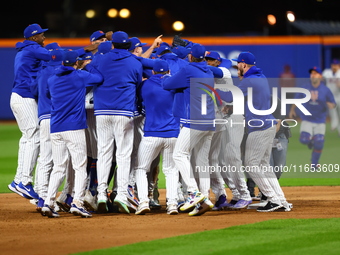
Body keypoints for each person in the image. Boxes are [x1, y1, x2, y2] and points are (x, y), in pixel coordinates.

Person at [8, 23, 98, 201]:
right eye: (41, 35)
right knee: (32, 136)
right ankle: (23, 181)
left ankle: (20, 179)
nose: (44, 37)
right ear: (34, 37)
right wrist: (88, 48)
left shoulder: (26, 51)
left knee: (29, 138)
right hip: (23, 97)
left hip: (21, 96)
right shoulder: (31, 48)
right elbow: (57, 55)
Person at [217, 51, 291, 212]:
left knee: (251, 165)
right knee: (263, 165)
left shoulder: (249, 80)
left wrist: (211, 87)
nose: (237, 67)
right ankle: (281, 200)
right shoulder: (260, 77)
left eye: (238, 65)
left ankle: (273, 199)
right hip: (267, 124)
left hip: (260, 127)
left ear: (244, 65)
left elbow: (229, 95)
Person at [41, 50, 103, 218]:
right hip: (74, 128)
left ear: (62, 63)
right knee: (80, 167)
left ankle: (48, 202)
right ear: (76, 63)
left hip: (56, 127)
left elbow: (47, 94)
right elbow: (98, 78)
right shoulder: (79, 76)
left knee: (58, 167)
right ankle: (77, 203)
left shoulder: (52, 79)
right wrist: (89, 66)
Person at [91, 31, 143, 214]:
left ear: (112, 44)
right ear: (127, 45)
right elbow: (138, 83)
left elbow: (92, 74)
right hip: (124, 111)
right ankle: (121, 194)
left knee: (104, 152)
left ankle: (101, 193)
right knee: (123, 154)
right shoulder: (134, 61)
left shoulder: (100, 59)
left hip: (102, 111)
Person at [163, 43, 215, 216]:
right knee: (202, 161)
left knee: (179, 154)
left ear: (191, 56)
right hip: (210, 121)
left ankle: (193, 193)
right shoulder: (207, 70)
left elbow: (168, 84)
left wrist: (166, 77)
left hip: (196, 120)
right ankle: (205, 200)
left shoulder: (188, 70)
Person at [205, 51, 252, 210]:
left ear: (217, 62)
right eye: (206, 59)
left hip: (234, 117)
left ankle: (245, 195)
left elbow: (216, 71)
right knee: (221, 161)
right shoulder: (207, 73)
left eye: (211, 60)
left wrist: (196, 61)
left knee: (232, 156)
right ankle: (236, 193)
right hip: (222, 119)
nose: (208, 62)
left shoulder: (223, 72)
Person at [134, 60, 180, 215]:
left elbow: (139, 103)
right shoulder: (174, 85)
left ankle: (143, 202)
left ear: (153, 72)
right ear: (168, 72)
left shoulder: (145, 86)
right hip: (173, 134)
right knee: (171, 170)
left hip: (151, 134)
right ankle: (172, 204)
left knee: (141, 168)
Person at [289, 66, 336, 169]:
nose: (313, 75)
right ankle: (311, 142)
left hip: (320, 120)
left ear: (320, 76)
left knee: (319, 142)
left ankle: (314, 164)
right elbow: (297, 99)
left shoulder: (325, 90)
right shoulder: (305, 87)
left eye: (315, 73)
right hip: (307, 119)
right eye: (312, 73)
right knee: (304, 140)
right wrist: (292, 110)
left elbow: (333, 103)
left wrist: (330, 104)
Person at [322, 59, 340, 136]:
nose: (334, 66)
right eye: (333, 65)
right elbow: (321, 79)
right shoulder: (327, 72)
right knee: (333, 112)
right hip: (331, 97)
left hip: (339, 96)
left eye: (336, 65)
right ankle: (334, 124)